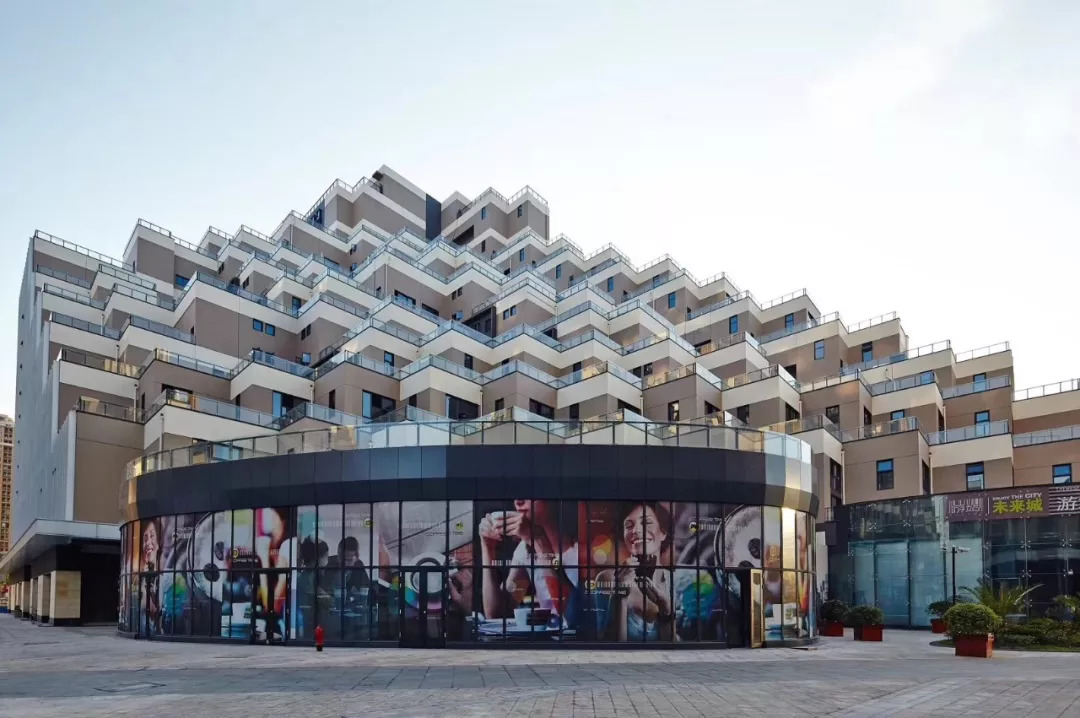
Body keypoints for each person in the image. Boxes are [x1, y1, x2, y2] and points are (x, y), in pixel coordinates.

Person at [478, 500, 578, 624]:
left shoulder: (585, 546)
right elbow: (497, 614)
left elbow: (575, 613)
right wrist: (488, 549)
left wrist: (538, 540)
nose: (518, 501)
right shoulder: (524, 550)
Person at [594, 503, 677, 641]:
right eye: (628, 526)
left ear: (663, 532)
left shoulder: (676, 581)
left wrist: (667, 609)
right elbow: (609, 645)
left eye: (646, 522)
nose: (636, 530)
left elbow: (674, 647)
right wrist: (620, 596)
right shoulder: (607, 578)